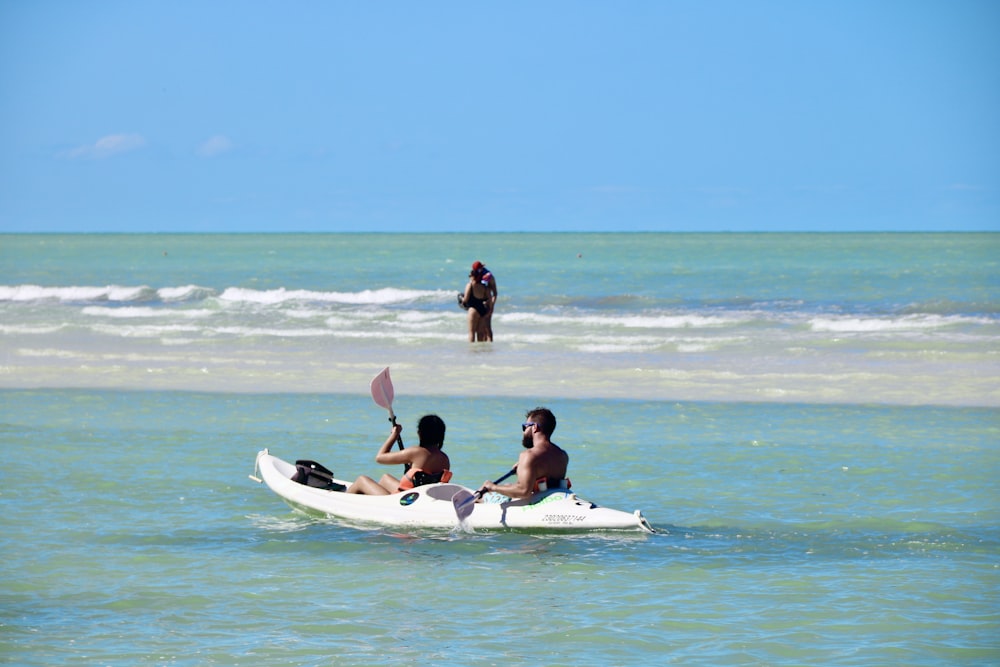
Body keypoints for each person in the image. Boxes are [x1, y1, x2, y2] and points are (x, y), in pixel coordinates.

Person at [347, 415, 452, 495]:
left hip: (404, 503)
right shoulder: (445, 459)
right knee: (385, 478)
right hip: (418, 499)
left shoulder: (416, 452)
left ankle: (341, 501)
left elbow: (380, 457)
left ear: (420, 433)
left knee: (361, 480)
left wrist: (394, 435)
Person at [480, 407, 569, 500]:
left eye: (525, 427)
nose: (524, 431)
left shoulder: (529, 455)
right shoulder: (562, 455)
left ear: (534, 427)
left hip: (534, 503)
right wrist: (522, 468)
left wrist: (492, 487)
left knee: (484, 495)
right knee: (507, 485)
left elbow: (524, 491)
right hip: (552, 500)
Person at [459, 266, 493, 342]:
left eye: (470, 276)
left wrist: (461, 299)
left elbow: (466, 300)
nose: (469, 277)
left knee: (471, 333)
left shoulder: (470, 285)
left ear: (473, 276)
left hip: (473, 310)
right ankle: (479, 352)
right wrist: (488, 311)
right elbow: (490, 300)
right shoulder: (485, 287)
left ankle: (472, 352)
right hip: (482, 310)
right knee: (480, 333)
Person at [472, 261, 498, 341]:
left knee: (487, 327)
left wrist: (491, 305)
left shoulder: (489, 276)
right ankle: (483, 349)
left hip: (488, 302)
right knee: (480, 329)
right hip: (479, 303)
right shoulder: (476, 275)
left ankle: (490, 347)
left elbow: (495, 293)